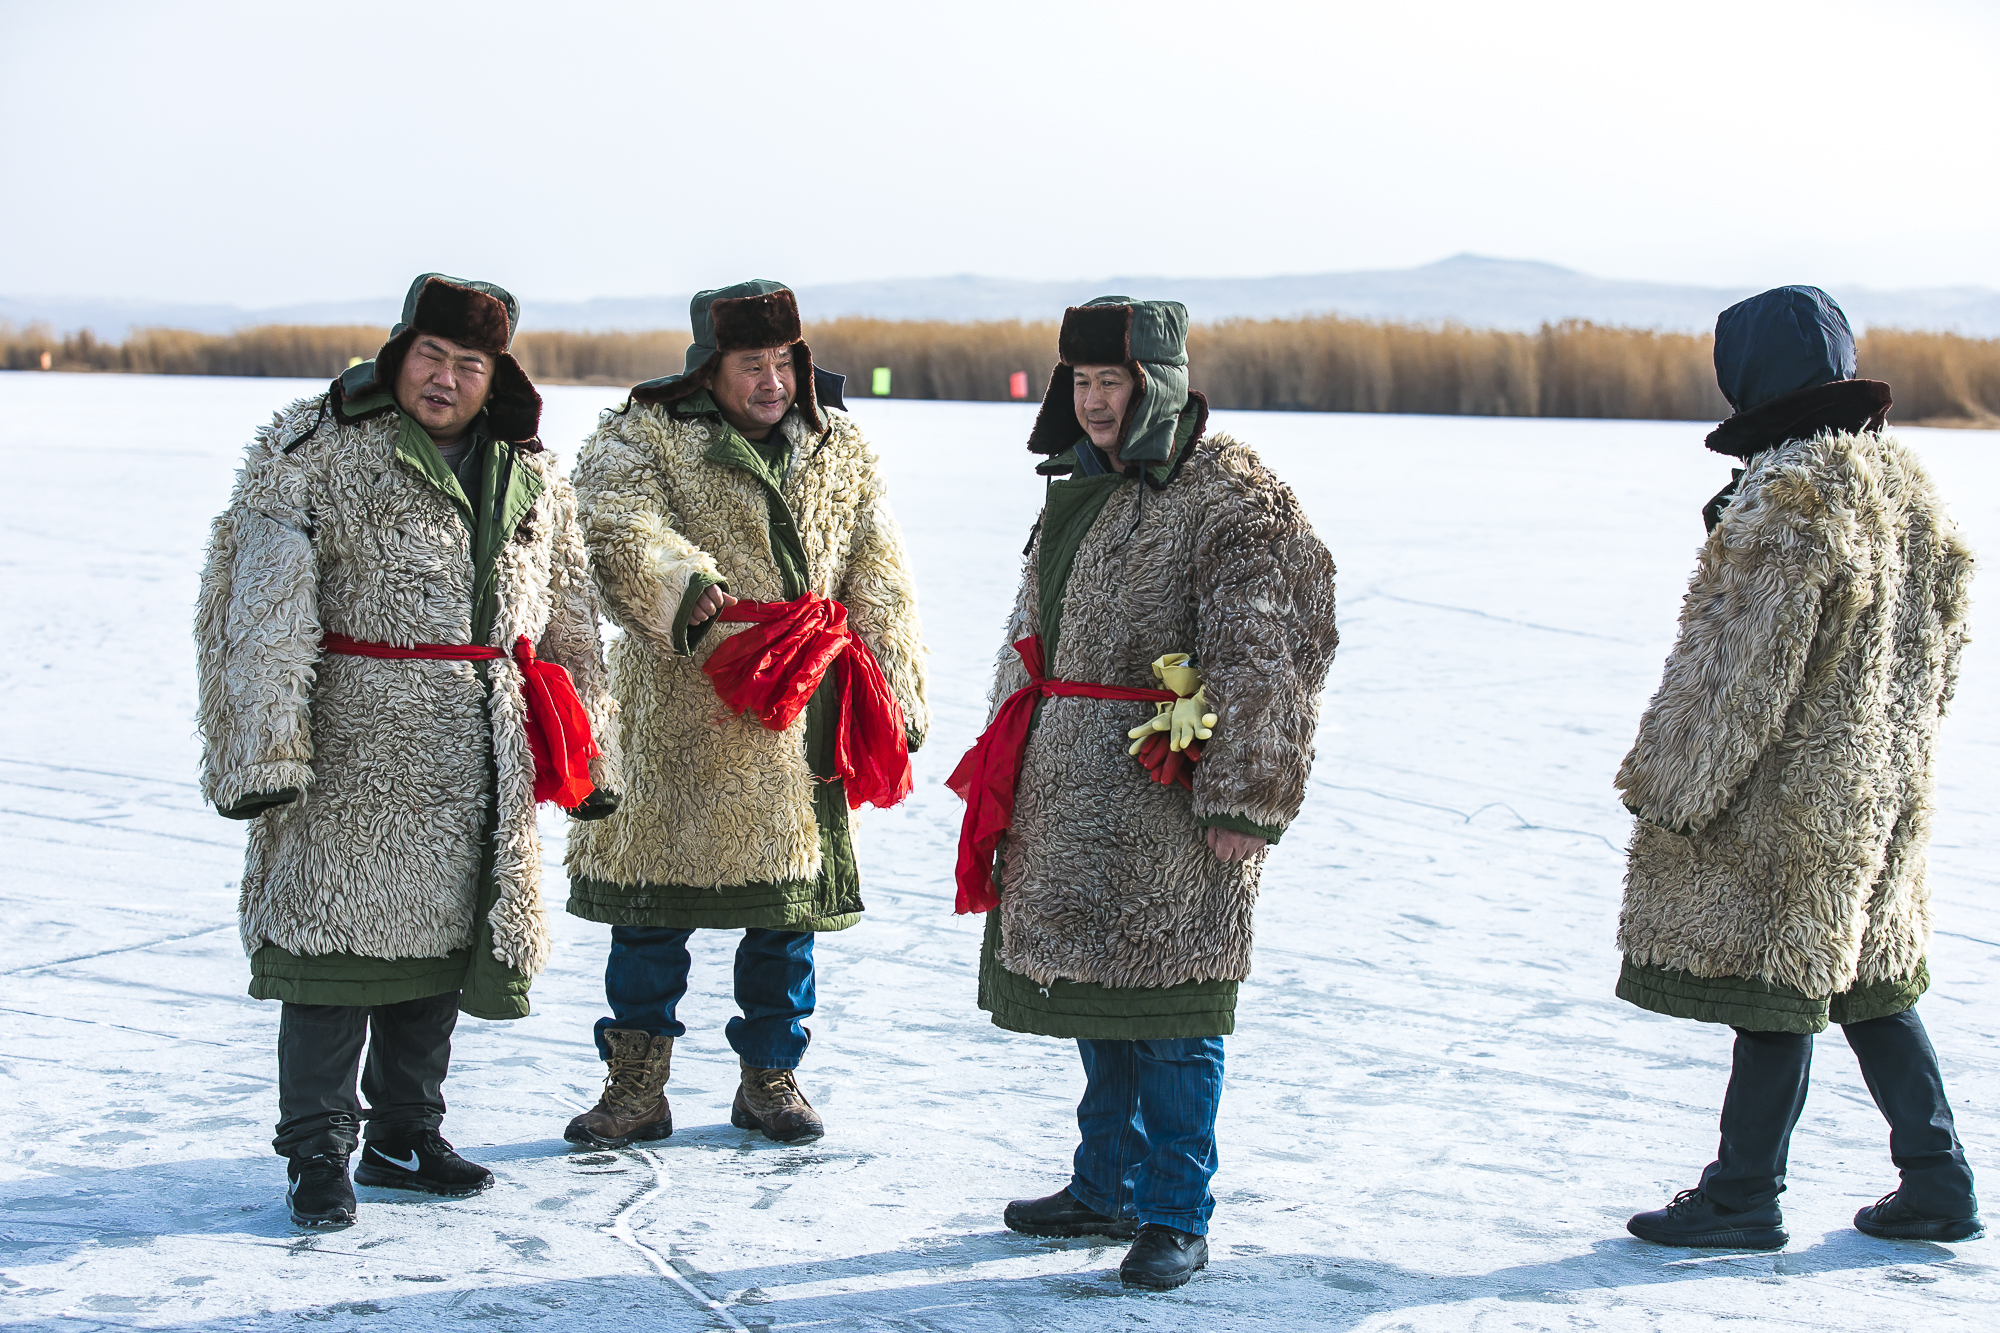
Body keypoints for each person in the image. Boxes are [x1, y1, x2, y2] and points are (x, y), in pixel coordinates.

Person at [196, 273, 622, 1228]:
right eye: (431, 355)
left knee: (441, 950)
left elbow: (569, 622)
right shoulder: (315, 449)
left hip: (479, 749)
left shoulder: (528, 467)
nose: (447, 378)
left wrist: (594, 753)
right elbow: (260, 610)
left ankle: (403, 1131)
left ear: (494, 373)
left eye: (470, 364)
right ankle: (317, 1150)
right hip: (354, 745)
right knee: (332, 953)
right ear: (398, 354)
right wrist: (266, 749)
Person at [949, 297, 1339, 1289]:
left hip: (1168, 792)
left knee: (1173, 1005)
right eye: (1079, 382)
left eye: (1110, 382)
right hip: (1071, 788)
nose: (1091, 402)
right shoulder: (1081, 483)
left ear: (1157, 383)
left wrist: (1245, 800)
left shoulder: (1230, 497)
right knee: (1099, 993)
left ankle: (1174, 1209)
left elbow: (1271, 652)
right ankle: (1107, 1181)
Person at [1616, 285, 1982, 1249]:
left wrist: (1671, 783)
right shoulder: (1906, 486)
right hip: (1883, 779)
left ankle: (1743, 1193)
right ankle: (1938, 1175)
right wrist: (1898, 752)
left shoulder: (1790, 496)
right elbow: (1944, 651)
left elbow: (1738, 668)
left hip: (1794, 788)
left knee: (1778, 978)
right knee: (1870, 971)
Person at [563, 280, 926, 1150]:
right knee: (650, 908)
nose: (771, 382)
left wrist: (897, 685)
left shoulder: (839, 445)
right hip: (680, 704)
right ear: (709, 368)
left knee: (784, 910)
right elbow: (612, 521)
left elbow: (879, 566)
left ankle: (770, 1074)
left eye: (783, 362)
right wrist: (681, 587)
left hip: (800, 710)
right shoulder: (643, 434)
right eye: (750, 364)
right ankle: (635, 1086)